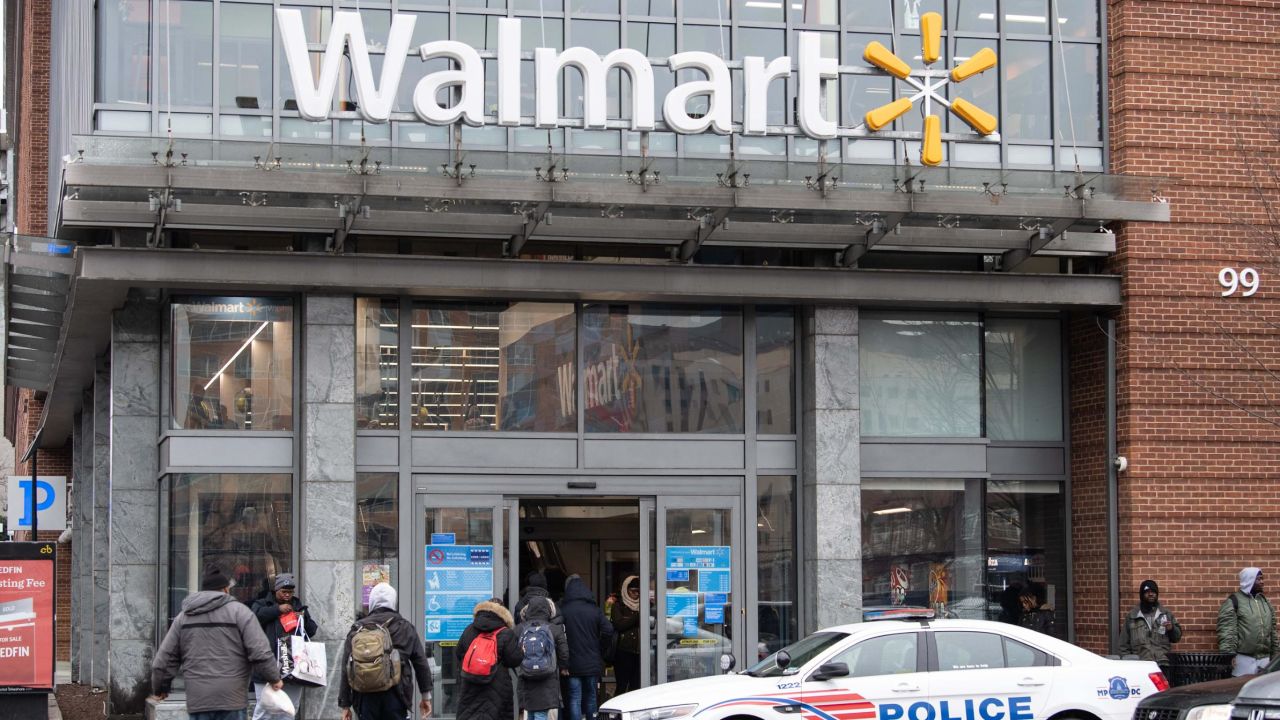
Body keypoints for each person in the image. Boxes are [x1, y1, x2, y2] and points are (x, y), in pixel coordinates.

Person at [151, 564, 282, 720]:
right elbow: (259, 651)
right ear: (226, 590)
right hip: (232, 699)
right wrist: (274, 678)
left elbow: (165, 659)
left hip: (199, 700)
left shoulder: (184, 617)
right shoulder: (240, 613)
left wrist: (160, 688)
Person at [338, 583, 433, 720]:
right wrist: (426, 696)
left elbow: (346, 668)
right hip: (397, 695)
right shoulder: (405, 628)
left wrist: (345, 705)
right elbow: (421, 663)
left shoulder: (357, 630)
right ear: (393, 601)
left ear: (372, 602)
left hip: (365, 697)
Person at [250, 573, 319, 720]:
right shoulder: (261, 604)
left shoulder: (298, 606)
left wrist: (302, 617)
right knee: (263, 710)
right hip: (266, 667)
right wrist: (277, 610)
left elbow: (312, 630)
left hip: (292, 668)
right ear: (276, 591)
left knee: (289, 710)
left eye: (290, 592)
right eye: (284, 592)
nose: (287, 595)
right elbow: (253, 619)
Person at [456, 597, 524, 720]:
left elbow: (459, 652)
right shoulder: (506, 633)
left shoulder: (470, 629)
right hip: (497, 686)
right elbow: (513, 660)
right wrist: (521, 652)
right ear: (503, 612)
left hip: (471, 683)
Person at [561, 575, 615, 720]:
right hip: (592, 661)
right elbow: (608, 630)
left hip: (572, 663)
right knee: (591, 697)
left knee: (574, 698)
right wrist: (601, 649)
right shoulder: (594, 610)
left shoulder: (564, 610)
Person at [516, 596, 571, 720]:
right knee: (541, 712)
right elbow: (564, 652)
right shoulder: (554, 629)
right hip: (548, 678)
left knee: (529, 711)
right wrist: (564, 667)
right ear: (548, 610)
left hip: (526, 678)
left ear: (528, 609)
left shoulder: (520, 628)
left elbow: (512, 652)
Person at [1218, 567, 1277, 676]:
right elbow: (1227, 631)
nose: (1262, 582)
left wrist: (1275, 656)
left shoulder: (1265, 602)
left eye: (1262, 579)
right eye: (1258, 579)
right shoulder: (1234, 601)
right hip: (1242, 660)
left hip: (1265, 660)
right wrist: (1229, 655)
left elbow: (1273, 632)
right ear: (1249, 580)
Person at [1118, 579, 1182, 671]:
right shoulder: (1132, 616)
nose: (1151, 594)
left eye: (1153, 592)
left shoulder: (1165, 613)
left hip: (1162, 664)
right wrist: (1130, 664)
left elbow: (1177, 638)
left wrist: (1171, 629)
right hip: (1140, 666)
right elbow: (1123, 645)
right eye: (1147, 592)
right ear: (1141, 594)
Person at [608, 576, 642, 696]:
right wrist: (638, 616)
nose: (636, 594)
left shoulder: (645, 605)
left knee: (636, 688)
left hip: (640, 653)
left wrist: (629, 619)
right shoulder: (618, 605)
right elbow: (619, 625)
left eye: (639, 591)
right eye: (633, 591)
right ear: (626, 590)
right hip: (623, 652)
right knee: (622, 686)